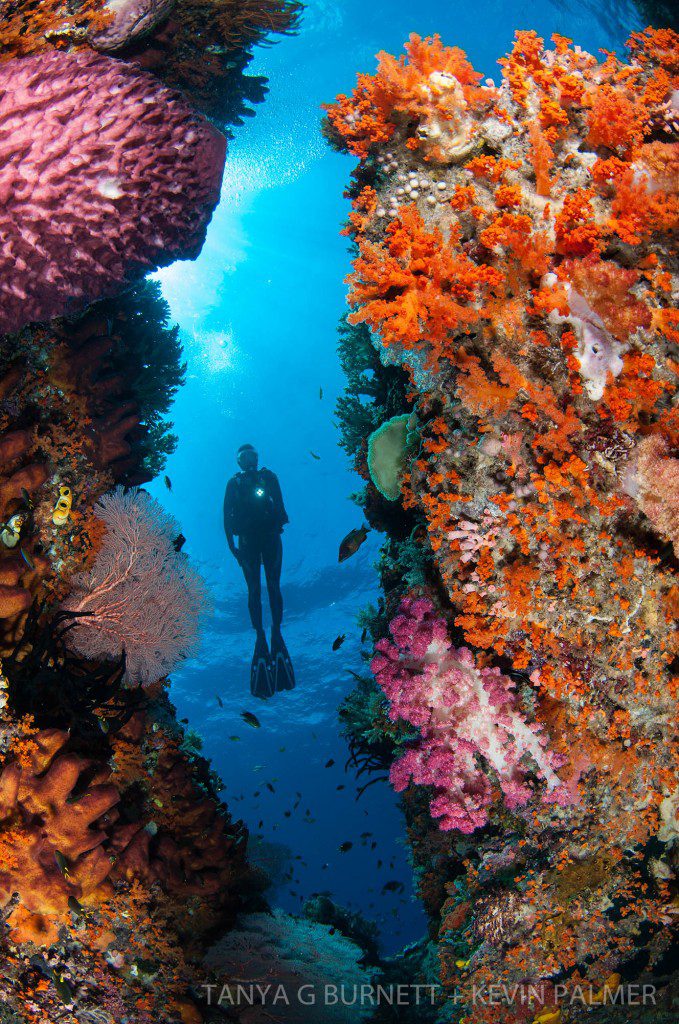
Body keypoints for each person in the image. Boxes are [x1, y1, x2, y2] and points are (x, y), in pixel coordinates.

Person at [223, 444, 295, 698]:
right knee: (254, 589)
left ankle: (275, 630)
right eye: (243, 457)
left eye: (251, 456)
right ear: (239, 462)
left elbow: (281, 505)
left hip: (268, 537)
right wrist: (233, 549)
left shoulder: (269, 477)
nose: (248, 461)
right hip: (249, 542)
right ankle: (261, 634)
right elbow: (225, 517)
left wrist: (235, 547)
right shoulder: (234, 483)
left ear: (256, 457)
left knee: (273, 586)